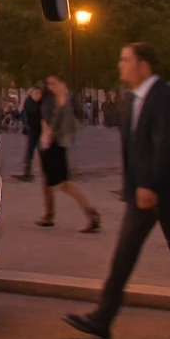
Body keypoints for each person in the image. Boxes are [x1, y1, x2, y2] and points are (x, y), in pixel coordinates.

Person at [64, 42, 170, 339]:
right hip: (142, 191)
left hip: (162, 190)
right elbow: (132, 149)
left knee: (167, 251)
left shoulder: (165, 97)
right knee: (140, 252)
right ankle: (105, 317)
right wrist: (132, 187)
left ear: (143, 64)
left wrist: (150, 186)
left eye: (126, 60)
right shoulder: (131, 100)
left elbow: (166, 145)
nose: (121, 65)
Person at [36, 75, 101, 233]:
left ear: (62, 83)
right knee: (47, 179)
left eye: (54, 83)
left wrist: (47, 136)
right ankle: (49, 215)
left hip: (54, 144)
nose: (51, 86)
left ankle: (90, 211)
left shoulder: (61, 101)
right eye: (49, 83)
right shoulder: (59, 100)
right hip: (56, 143)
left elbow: (48, 121)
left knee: (63, 183)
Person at [19, 86, 46, 181]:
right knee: (30, 151)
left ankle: (47, 171)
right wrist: (25, 124)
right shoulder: (29, 102)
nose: (39, 96)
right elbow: (24, 113)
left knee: (43, 151)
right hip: (32, 130)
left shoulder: (42, 102)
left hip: (41, 130)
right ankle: (27, 172)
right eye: (37, 94)